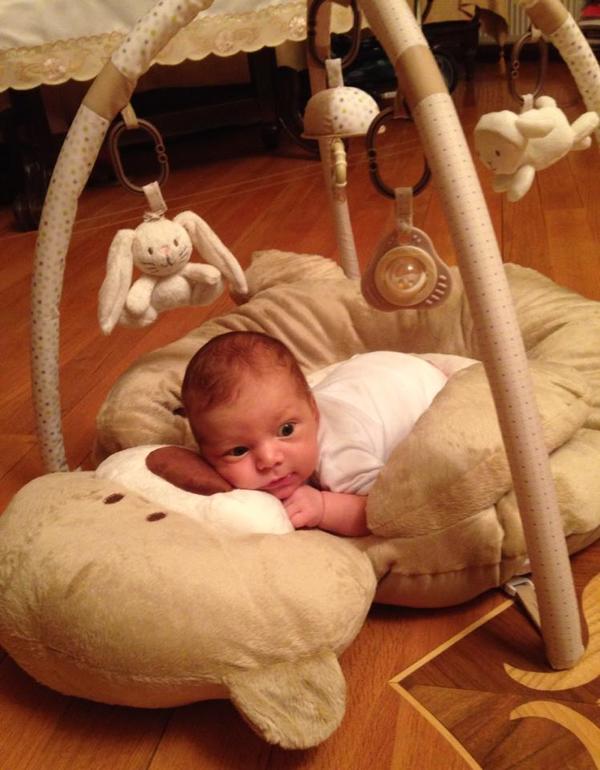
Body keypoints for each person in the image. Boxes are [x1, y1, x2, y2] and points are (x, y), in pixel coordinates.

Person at [149, 331, 476, 536]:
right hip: (371, 372)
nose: (269, 460)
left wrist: (324, 507)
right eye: (238, 451)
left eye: (286, 430)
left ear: (314, 414)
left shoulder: (340, 456)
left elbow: (385, 510)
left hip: (419, 384)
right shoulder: (286, 415)